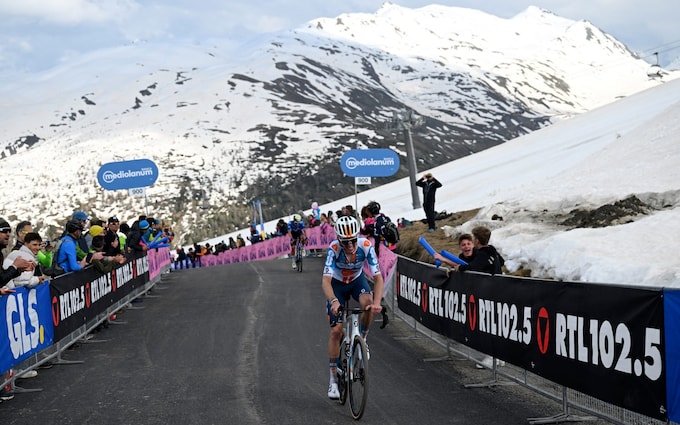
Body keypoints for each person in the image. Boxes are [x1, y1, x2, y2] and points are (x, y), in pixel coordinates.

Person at [322, 215, 384, 399]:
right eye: (345, 242)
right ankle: (333, 380)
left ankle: (362, 341)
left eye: (352, 240)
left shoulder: (365, 246)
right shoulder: (333, 249)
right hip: (337, 285)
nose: (349, 245)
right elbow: (325, 281)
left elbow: (378, 278)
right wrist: (333, 301)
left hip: (357, 281)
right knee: (336, 332)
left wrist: (378, 303)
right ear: (339, 239)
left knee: (369, 304)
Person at [436, 226, 504, 274]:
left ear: (477, 241)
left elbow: (471, 267)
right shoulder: (492, 249)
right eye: (463, 245)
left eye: (473, 238)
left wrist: (460, 268)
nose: (466, 246)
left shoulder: (482, 254)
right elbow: (502, 261)